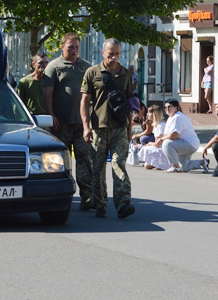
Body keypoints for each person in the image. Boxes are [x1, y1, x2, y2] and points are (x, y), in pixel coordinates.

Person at [80, 38, 136, 219]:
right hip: (99, 128)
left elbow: (129, 102)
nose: (114, 57)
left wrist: (129, 129)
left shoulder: (125, 74)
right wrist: (86, 127)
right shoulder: (92, 72)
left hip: (120, 128)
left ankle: (122, 203)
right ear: (103, 53)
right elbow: (85, 101)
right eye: (111, 53)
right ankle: (100, 204)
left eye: (117, 54)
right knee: (98, 168)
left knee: (119, 164)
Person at [42, 32, 95, 211]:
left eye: (76, 47)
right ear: (63, 47)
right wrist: (51, 115)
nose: (74, 50)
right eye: (70, 47)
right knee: (58, 162)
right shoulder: (54, 67)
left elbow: (93, 95)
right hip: (60, 123)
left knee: (85, 159)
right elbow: (47, 93)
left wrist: (90, 120)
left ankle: (87, 196)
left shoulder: (86, 67)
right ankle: (58, 195)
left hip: (81, 124)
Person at [161, 99, 200, 172]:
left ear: (176, 108)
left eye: (169, 107)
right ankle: (202, 162)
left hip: (188, 144)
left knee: (166, 144)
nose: (167, 109)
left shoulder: (177, 117)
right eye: (165, 107)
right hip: (183, 143)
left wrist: (161, 139)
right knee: (183, 168)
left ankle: (175, 166)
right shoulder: (171, 118)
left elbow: (174, 135)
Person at [137, 104, 170, 170]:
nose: (147, 114)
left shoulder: (160, 125)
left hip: (163, 150)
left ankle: (160, 163)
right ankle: (157, 163)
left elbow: (158, 144)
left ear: (154, 114)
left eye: (149, 113)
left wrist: (149, 144)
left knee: (147, 165)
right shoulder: (156, 125)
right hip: (161, 148)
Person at [17, 53, 49, 117]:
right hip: (32, 118)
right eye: (41, 63)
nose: (44, 65)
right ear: (34, 64)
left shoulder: (50, 81)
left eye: (46, 62)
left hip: (48, 118)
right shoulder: (25, 82)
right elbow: (18, 105)